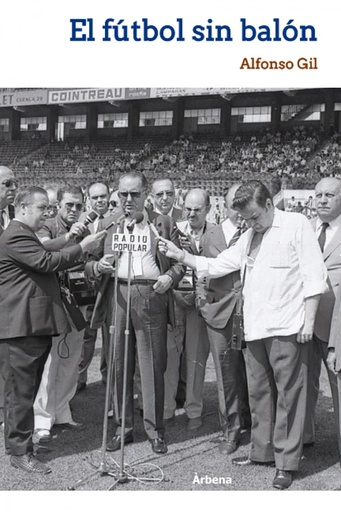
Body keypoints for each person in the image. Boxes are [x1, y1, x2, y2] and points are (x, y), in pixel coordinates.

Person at [158, 180, 327, 490]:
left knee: (288, 396)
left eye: (254, 217)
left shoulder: (296, 224)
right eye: (245, 219)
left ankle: (286, 463)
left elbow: (314, 275)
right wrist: (180, 255)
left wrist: (308, 323)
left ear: (269, 204)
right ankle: (261, 452)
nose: (249, 224)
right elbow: (220, 265)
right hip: (255, 327)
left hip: (288, 327)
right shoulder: (250, 234)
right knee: (259, 392)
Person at [0, 186, 105, 474]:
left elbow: (46, 249)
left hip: (29, 326)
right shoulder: (18, 234)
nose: (47, 212)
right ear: (23, 208)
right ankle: (20, 451)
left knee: (25, 389)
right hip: (21, 327)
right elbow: (46, 261)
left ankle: (22, 445)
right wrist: (82, 247)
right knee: (20, 392)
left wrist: (69, 240)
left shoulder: (24, 234)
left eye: (48, 208)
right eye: (41, 207)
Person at [86, 171, 185, 454]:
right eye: (123, 194)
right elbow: (89, 263)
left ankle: (155, 430)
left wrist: (170, 278)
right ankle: (123, 428)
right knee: (118, 363)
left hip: (151, 294)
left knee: (152, 364)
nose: (128, 200)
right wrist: (98, 267)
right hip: (118, 293)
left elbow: (180, 262)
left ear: (146, 196)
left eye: (134, 194)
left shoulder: (163, 223)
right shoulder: (108, 224)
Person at [33, 186, 93, 443]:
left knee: (72, 358)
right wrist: (70, 237)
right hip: (54, 302)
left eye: (79, 206)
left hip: (78, 300)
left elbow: (87, 260)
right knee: (51, 362)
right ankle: (42, 418)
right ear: (58, 204)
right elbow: (44, 250)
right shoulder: (46, 225)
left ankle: (63, 411)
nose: (74, 210)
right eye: (69, 205)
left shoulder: (85, 230)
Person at [198, 184, 251, 454]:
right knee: (226, 375)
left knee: (255, 374)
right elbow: (203, 273)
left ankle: (257, 423)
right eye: (233, 206)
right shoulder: (212, 235)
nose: (239, 212)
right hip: (220, 314)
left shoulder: (259, 231)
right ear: (223, 206)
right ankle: (231, 429)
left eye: (244, 205)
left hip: (254, 313)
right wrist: (202, 303)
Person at [163, 188, 211, 430]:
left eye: (197, 210)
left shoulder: (215, 233)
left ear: (208, 209)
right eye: (188, 208)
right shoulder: (172, 229)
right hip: (172, 303)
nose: (192, 214)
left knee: (195, 360)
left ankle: (194, 410)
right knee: (170, 357)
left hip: (199, 306)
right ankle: (166, 409)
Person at [304, 177, 341, 451]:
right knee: (303, 383)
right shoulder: (305, 230)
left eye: (330, 195)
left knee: (338, 386)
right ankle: (303, 439)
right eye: (318, 195)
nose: (323, 200)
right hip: (304, 322)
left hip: (336, 325)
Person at [77, 182, 111, 393]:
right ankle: (80, 377)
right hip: (84, 284)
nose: (99, 201)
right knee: (86, 334)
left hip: (108, 285)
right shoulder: (81, 222)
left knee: (109, 333)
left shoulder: (118, 221)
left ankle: (108, 375)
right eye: (95, 197)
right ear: (88, 200)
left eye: (103, 196)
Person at [0, 166, 17, 433]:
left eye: (15, 184)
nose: (13, 188)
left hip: (11, 300)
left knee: (7, 361)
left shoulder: (15, 216)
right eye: (7, 184)